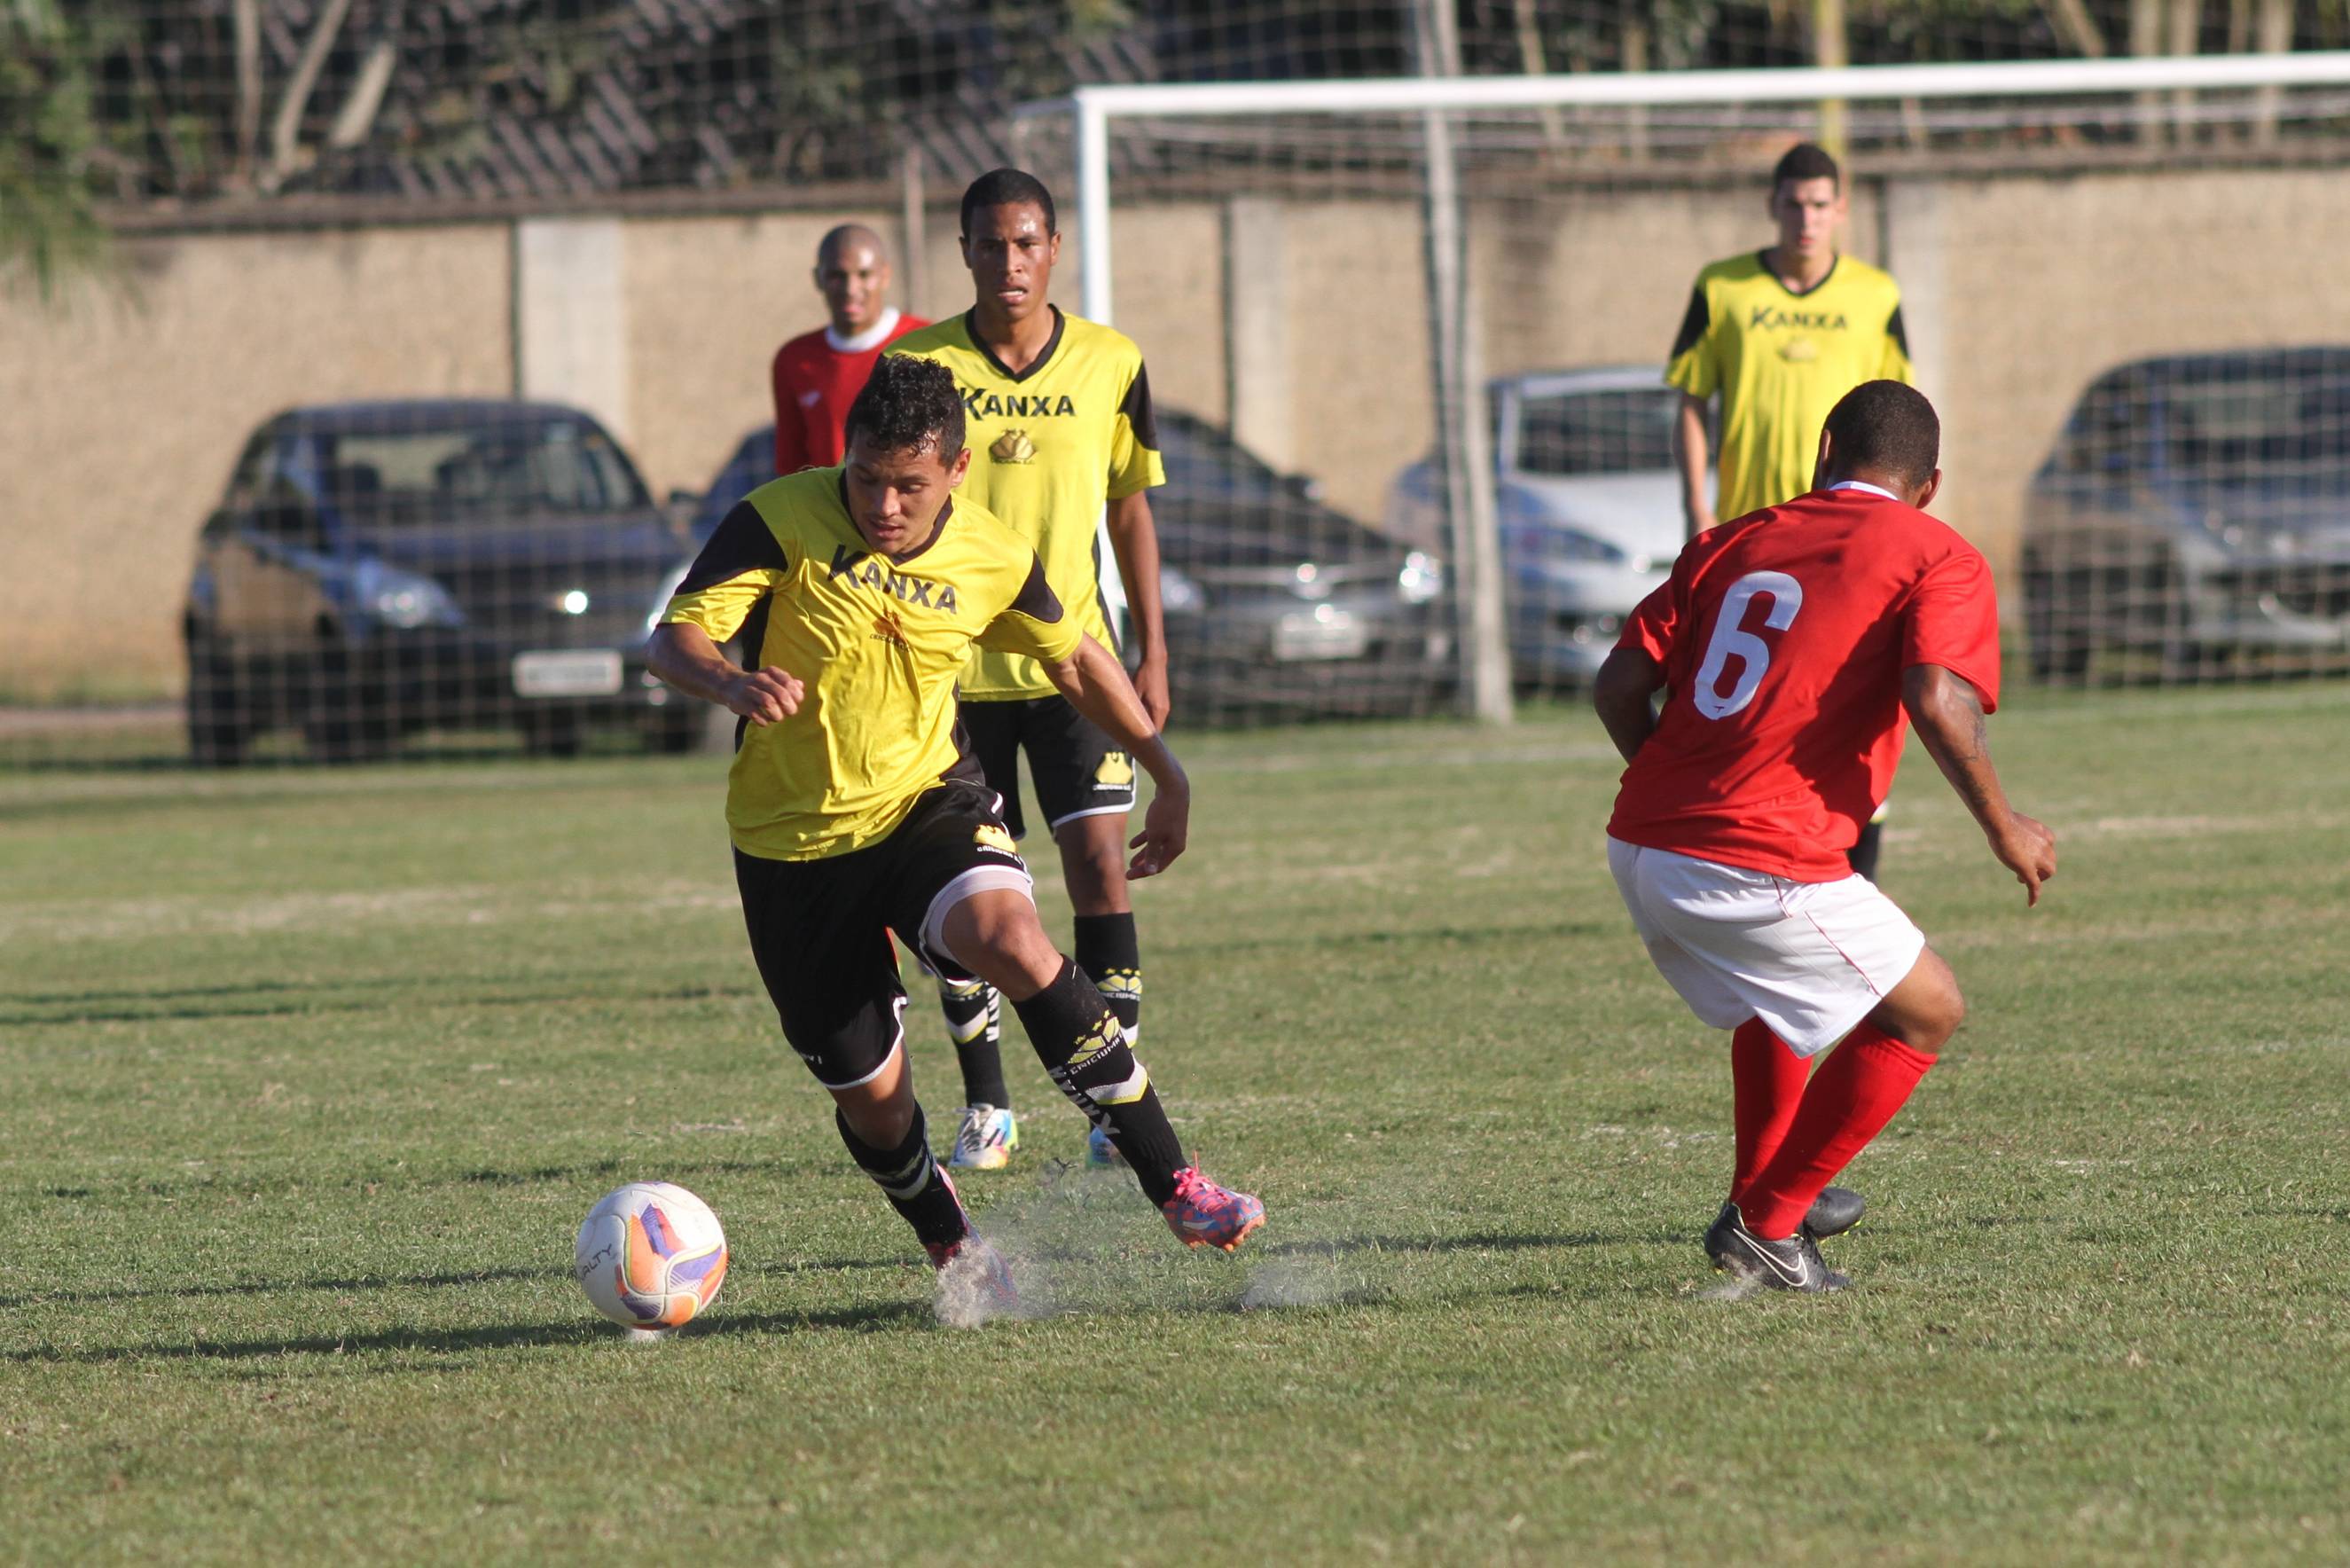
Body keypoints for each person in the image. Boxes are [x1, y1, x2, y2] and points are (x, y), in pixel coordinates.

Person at [646, 356, 1263, 1293]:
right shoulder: (776, 518)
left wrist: (1164, 770)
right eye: (865, 479)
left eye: (909, 485)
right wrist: (730, 678)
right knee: (878, 1105)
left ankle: (1175, 1178)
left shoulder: (991, 554)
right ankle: (956, 1247)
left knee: (1011, 936)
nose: (884, 505)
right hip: (792, 848)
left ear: (957, 471)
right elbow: (673, 638)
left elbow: (1075, 659)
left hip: (925, 804)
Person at [1593, 381, 2056, 1292]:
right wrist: (2006, 826)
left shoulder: (1730, 539)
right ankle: (1767, 1226)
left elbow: (1617, 684)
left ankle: (1763, 1195)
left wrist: (1677, 786)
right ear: (1928, 485)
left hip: (1640, 840)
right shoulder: (1936, 553)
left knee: (1778, 999)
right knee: (1927, 1009)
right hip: (1749, 854)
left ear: (1822, 450)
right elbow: (1937, 697)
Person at [889, 169, 1170, 1173]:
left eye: (1024, 243)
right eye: (987, 245)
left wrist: (1153, 648)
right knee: (963, 895)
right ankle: (989, 1105)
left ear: (1054, 247)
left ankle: (1110, 1099)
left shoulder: (1112, 361)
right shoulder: (918, 363)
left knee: (1100, 868)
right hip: (947, 675)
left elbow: (1132, 504)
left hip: (1073, 667)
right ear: (963, 252)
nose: (1007, 263)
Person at [1665, 141, 1915, 880]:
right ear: (1771, 207)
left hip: (1848, 540)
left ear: (1841, 210)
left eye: (1819, 204)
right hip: (1753, 539)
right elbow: (1689, 399)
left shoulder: (1876, 295)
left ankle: (1853, 878)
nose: (1806, 219)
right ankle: (1736, 861)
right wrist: (1697, 508)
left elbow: (1899, 413)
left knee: (1850, 700)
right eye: (1793, 203)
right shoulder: (1723, 288)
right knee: (1744, 708)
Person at [770, 224, 930, 477]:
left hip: (898, 507)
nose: (850, 289)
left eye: (864, 275)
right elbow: (790, 464)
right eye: (837, 275)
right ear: (818, 278)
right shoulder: (795, 359)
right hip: (826, 509)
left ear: (885, 275)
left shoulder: (926, 344)